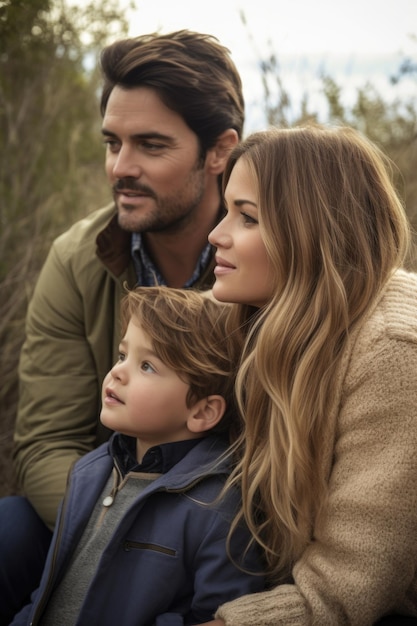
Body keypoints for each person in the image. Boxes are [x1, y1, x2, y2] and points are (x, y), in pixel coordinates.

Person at [0, 29, 244, 626]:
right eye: (112, 143)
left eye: (151, 145)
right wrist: (120, 531)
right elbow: (47, 443)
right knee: (7, 528)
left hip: (225, 530)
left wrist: (181, 540)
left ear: (219, 151)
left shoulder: (263, 261)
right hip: (95, 506)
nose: (120, 168)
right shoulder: (76, 258)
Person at [202, 124, 417, 625]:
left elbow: (346, 591)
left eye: (246, 217)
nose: (218, 234)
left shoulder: (394, 357)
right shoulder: (260, 313)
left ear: (312, 230)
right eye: (226, 209)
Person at [10, 286, 265, 626]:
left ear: (203, 412)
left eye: (147, 365)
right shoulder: (88, 473)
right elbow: (46, 594)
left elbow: (220, 615)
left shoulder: (220, 509)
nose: (118, 372)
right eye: (121, 355)